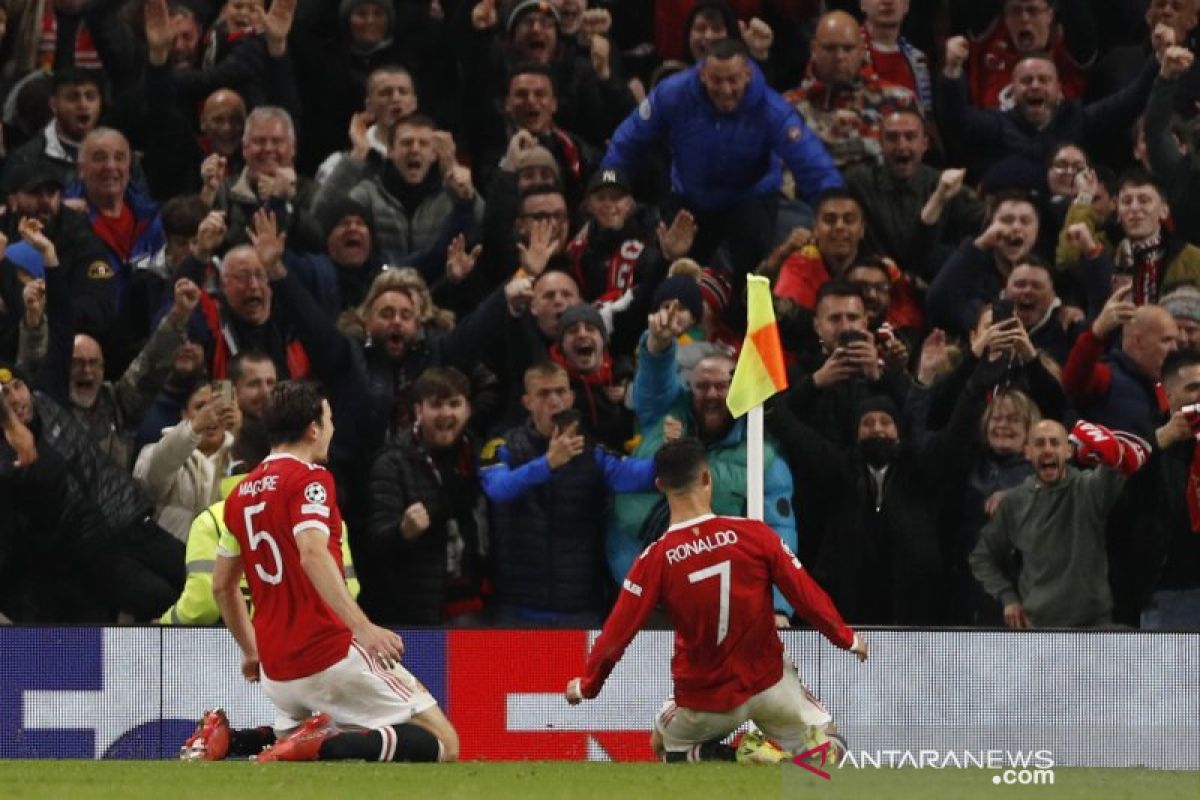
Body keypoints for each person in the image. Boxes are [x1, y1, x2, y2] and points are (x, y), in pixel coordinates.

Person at [565, 438, 868, 764]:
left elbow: (616, 634)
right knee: (829, 745)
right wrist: (846, 638)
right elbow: (804, 593)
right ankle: (798, 760)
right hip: (770, 684)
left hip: (704, 700)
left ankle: (735, 758)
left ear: (659, 486)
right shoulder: (756, 534)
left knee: (664, 747)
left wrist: (587, 686)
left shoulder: (655, 560)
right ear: (708, 478)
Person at [213, 381, 459, 762]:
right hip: (328, 653)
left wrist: (250, 651)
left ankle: (233, 741)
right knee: (444, 743)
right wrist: (365, 629)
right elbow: (311, 553)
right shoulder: (310, 480)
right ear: (313, 428)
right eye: (329, 420)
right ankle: (321, 742)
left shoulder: (239, 495)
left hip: (277, 672)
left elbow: (222, 587)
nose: (332, 428)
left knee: (330, 735)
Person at [602, 38, 842, 273]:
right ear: (703, 74)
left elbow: (810, 161)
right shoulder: (673, 94)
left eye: (733, 80)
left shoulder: (771, 108)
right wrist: (607, 185)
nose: (726, 90)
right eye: (717, 80)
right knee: (673, 266)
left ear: (747, 74)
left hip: (751, 198)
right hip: (691, 199)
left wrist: (834, 207)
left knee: (752, 270)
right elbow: (629, 140)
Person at [970, 418, 1150, 628]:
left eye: (1054, 443)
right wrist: (1008, 597)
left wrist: (1109, 452)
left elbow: (1114, 466)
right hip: (1038, 629)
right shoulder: (1014, 502)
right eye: (1039, 443)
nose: (1047, 449)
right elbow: (981, 557)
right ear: (1027, 451)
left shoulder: (1088, 488)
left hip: (1094, 628)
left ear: (1068, 450)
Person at [365, 367, 489, 625]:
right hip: (417, 614)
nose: (446, 413)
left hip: (478, 605)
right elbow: (376, 541)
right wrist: (403, 531)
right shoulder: (392, 462)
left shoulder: (482, 456)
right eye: (436, 405)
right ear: (418, 411)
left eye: (454, 404)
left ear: (468, 409)